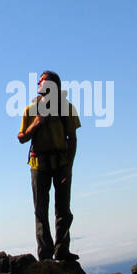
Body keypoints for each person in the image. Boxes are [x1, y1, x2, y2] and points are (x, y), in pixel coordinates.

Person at [18, 70, 81, 263]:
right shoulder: (30, 110)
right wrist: (37, 123)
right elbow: (21, 137)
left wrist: (69, 167)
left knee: (63, 210)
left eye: (43, 80)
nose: (38, 83)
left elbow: (72, 139)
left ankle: (62, 251)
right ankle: (45, 255)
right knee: (41, 210)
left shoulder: (67, 109)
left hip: (61, 163)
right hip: (39, 164)